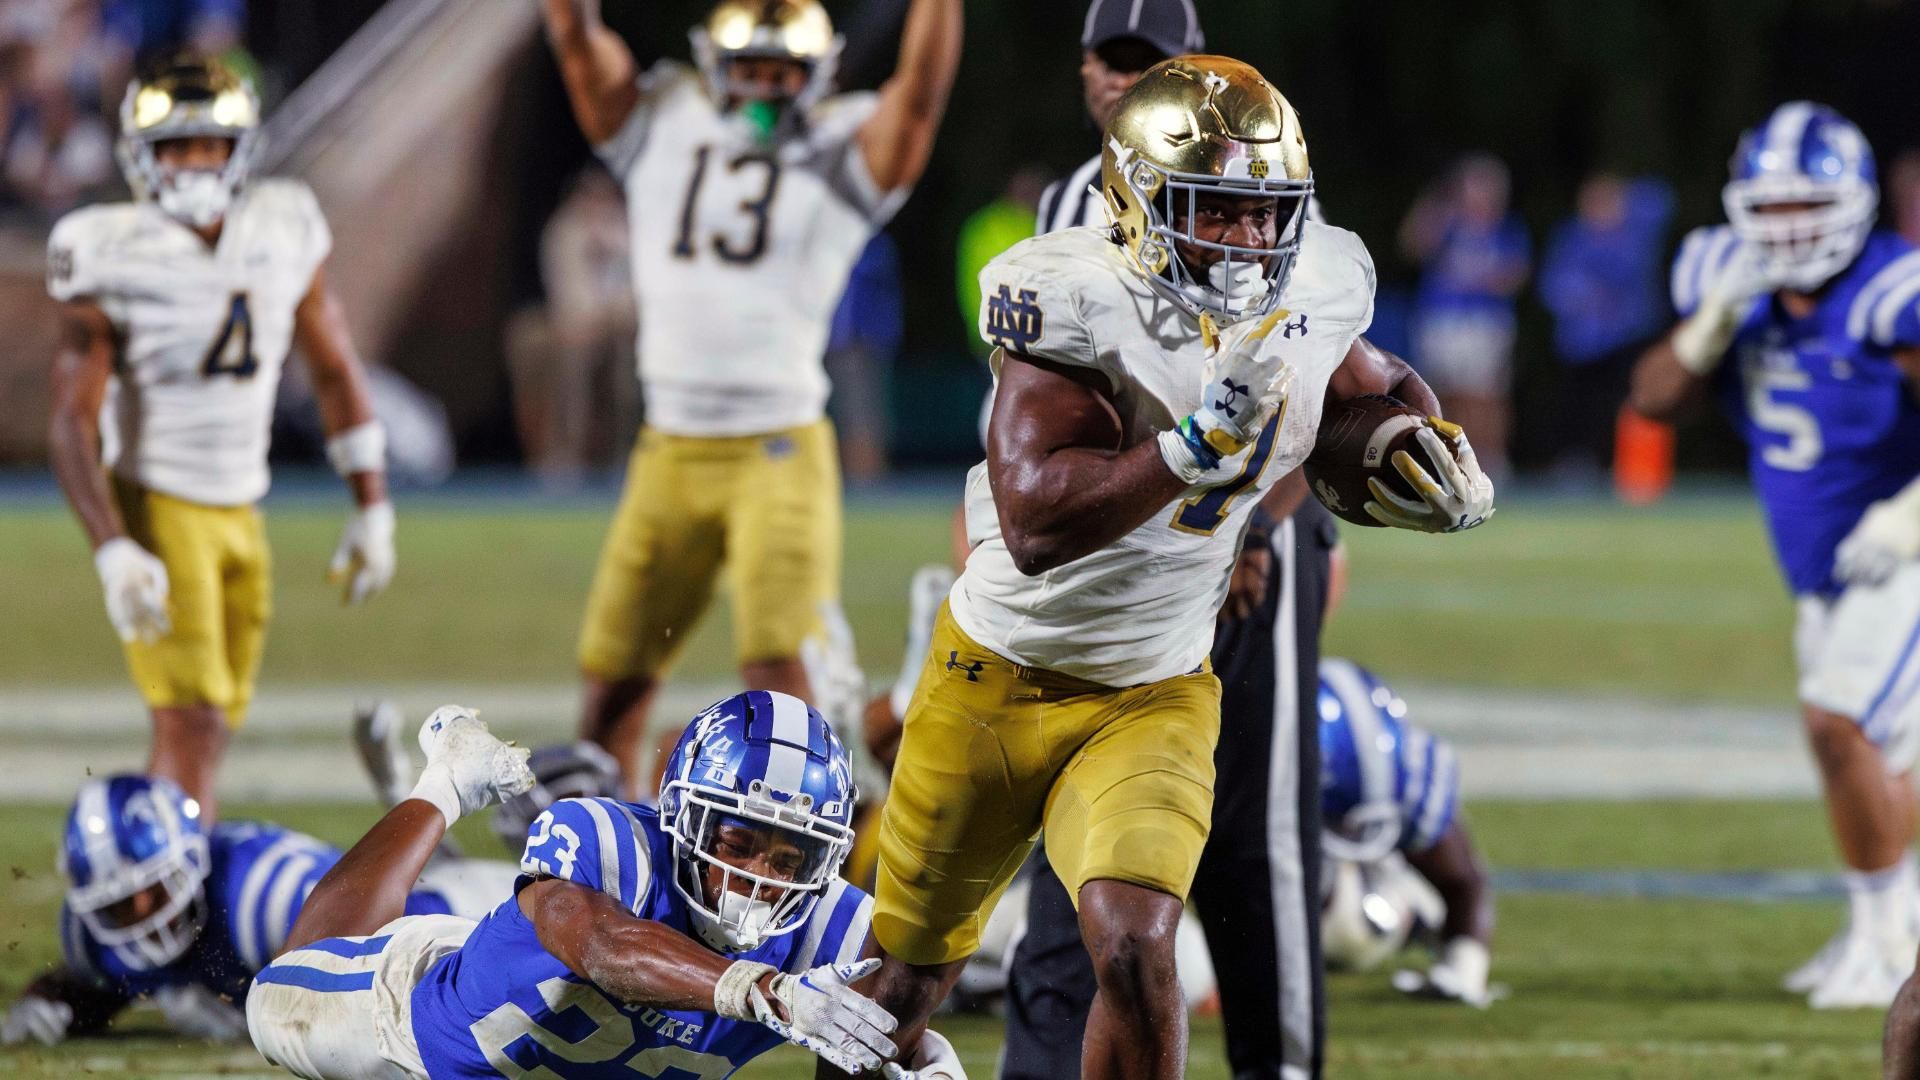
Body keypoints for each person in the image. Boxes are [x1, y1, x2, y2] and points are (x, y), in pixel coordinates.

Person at [859, 55, 1494, 1079]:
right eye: (1216, 210)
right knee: (898, 987)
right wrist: (1190, 448)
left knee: (1136, 943)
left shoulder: (1318, 278)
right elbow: (1032, 520)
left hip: (1154, 686)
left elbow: (1368, 381)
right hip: (997, 676)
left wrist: (1424, 452)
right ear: (1138, 201)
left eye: (1264, 212)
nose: (1248, 240)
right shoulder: (1071, 297)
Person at [541, 0, 962, 797]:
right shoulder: (663, 119)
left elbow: (921, 96)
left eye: (784, 72)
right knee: (612, 685)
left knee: (781, 685)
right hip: (667, 448)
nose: (766, 89)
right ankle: (597, 869)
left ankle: (783, 866)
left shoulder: (842, 145)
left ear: (818, 76)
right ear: (715, 68)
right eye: (752, 70)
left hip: (778, 446)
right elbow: (573, 37)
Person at [244, 693, 967, 1080]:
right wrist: (762, 989)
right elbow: (595, 940)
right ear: (683, 815)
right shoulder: (614, 841)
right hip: (415, 1038)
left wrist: (913, 1057)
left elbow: (887, 1035)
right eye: (739, 843)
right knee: (279, 988)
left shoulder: (832, 929)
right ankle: (447, 783)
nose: (759, 878)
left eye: (791, 859)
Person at [45, 54, 395, 823]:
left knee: (210, 724)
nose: (193, 163)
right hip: (159, 503)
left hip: (244, 506)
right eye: (175, 146)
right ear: (141, 155)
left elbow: (333, 366)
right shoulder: (105, 246)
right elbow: (70, 418)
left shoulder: (284, 223)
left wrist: (372, 504)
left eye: (208, 145)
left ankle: (150, 885)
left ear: (241, 151)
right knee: (192, 721)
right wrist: (113, 546)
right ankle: (175, 908)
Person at [1631, 102, 1920, 1011]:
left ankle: (1883, 941)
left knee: (1838, 722)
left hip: (1903, 551)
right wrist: (1710, 324)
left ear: (1853, 203)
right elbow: (1653, 399)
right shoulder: (1724, 270)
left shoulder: (1892, 290)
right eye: (1774, 205)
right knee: (1883, 760)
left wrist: (1912, 515)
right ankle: (1889, 932)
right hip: (1823, 570)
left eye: (1809, 205)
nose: (1789, 226)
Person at [0, 773, 519, 1047]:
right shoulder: (90, 936)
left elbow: (369, 983)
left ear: (189, 862)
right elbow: (98, 985)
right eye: (114, 906)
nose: (138, 916)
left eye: (152, 891)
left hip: (458, 915)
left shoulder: (257, 892)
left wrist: (252, 1018)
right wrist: (53, 1001)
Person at [1316, 658, 1495, 1006]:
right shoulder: (1237, 772)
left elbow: (1464, 882)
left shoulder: (1409, 778)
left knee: (1353, 932)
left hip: (1348, 888)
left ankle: (1403, 900)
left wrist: (1463, 969)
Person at [1536, 173, 1675, 484]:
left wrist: (1625, 200)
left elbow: (1661, 199)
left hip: (1629, 335)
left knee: (1633, 401)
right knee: (1581, 406)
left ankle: (1633, 467)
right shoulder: (1572, 236)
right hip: (1583, 340)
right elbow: (1554, 286)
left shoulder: (1634, 232)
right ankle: (1579, 464)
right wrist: (1581, 298)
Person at [1400, 154, 1530, 478]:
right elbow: (1412, 246)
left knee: (1486, 395)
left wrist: (1483, 276)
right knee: (1443, 392)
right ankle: (1450, 460)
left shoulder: (1506, 229)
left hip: (1484, 320)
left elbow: (1515, 275)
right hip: (1441, 317)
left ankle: (1493, 462)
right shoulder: (1447, 221)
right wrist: (1433, 204)